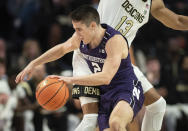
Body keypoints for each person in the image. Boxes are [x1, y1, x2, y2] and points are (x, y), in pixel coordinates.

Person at [16, 0, 188, 131]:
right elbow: (64, 46)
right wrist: (34, 62)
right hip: (87, 57)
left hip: (117, 62)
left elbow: (178, 21)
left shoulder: (153, 3)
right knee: (90, 120)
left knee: (158, 105)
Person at [16, 5, 144, 131]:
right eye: (75, 29)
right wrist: (34, 63)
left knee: (116, 123)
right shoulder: (80, 38)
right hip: (106, 93)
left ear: (93, 26)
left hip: (126, 87)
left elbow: (106, 77)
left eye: (79, 29)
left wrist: (70, 80)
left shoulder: (114, 41)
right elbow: (61, 49)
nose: (76, 33)